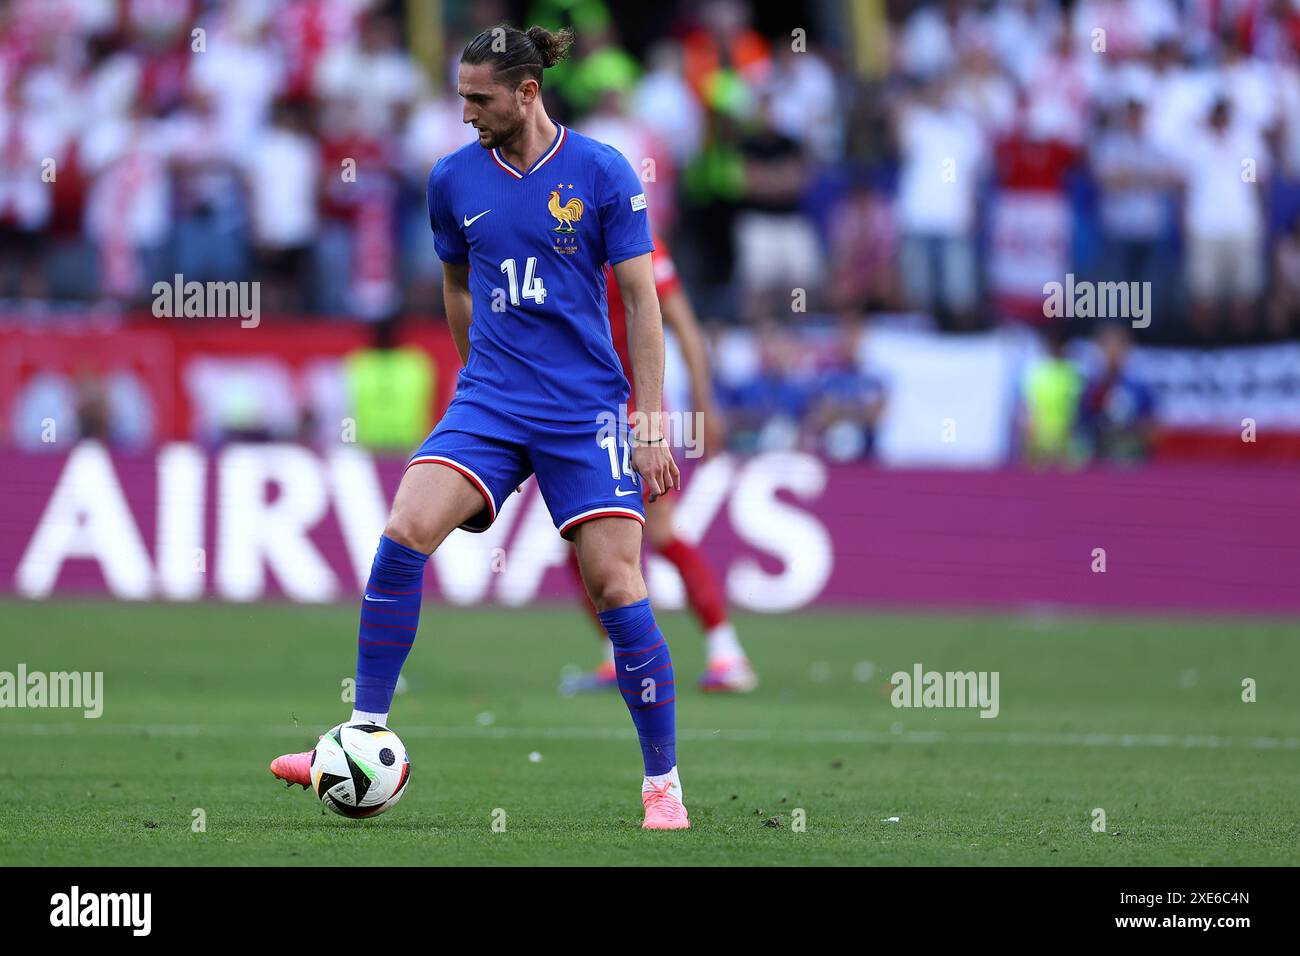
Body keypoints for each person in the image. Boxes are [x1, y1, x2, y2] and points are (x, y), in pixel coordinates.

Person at [270, 24, 689, 830]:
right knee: (404, 528)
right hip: (492, 402)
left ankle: (662, 783)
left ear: (527, 94)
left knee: (617, 586)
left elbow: (642, 301)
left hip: (585, 411)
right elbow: (457, 284)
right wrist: (475, 377)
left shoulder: (602, 172)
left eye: (479, 98)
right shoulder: (452, 180)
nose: (464, 113)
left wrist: (650, 418)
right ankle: (364, 729)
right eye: (460, 95)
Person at [562, 237, 757, 695]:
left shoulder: (638, 245)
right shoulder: (566, 239)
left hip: (636, 407)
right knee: (578, 543)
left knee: (662, 531)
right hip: (582, 409)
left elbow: (684, 325)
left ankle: (727, 654)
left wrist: (705, 406)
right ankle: (619, 657)